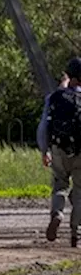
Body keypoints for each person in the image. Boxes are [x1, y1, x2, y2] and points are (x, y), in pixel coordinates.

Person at [37, 57, 81, 247]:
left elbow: (44, 126)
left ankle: (57, 214)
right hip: (80, 152)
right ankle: (76, 233)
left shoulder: (55, 97)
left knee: (60, 185)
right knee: (80, 192)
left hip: (58, 149)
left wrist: (44, 150)